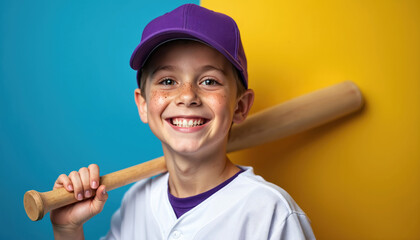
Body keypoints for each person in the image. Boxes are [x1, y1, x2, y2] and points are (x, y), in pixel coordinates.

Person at [50, 4, 315, 239]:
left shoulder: (272, 214)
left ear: (241, 106)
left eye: (209, 81)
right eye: (168, 81)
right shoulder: (137, 201)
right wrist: (67, 230)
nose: (187, 96)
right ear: (143, 104)